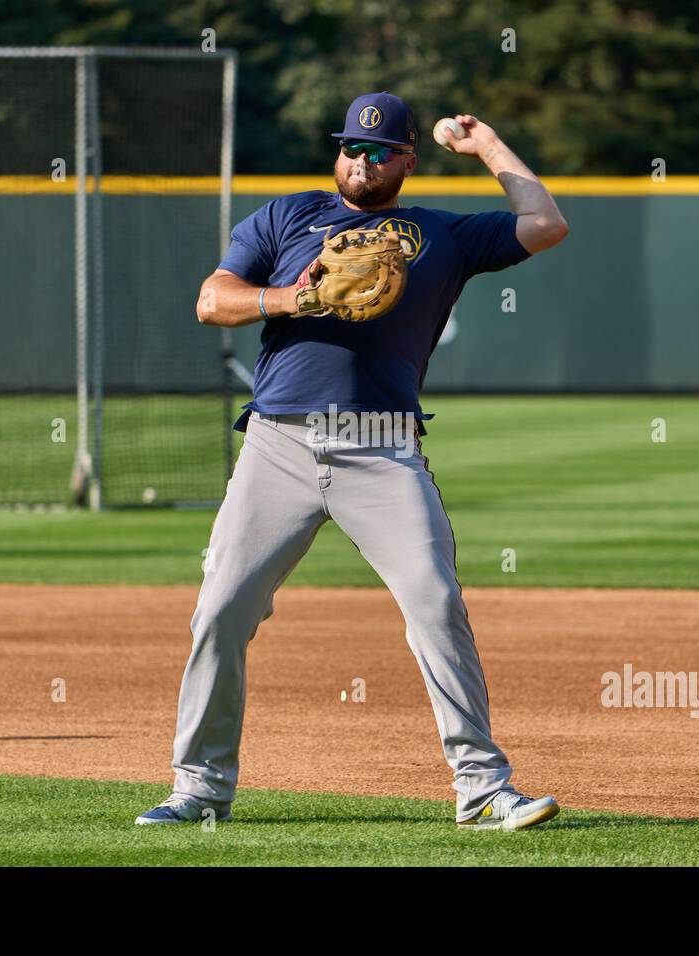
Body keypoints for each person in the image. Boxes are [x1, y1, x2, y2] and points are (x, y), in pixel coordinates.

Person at [137, 92, 569, 831]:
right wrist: (289, 298)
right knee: (220, 610)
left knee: (435, 602)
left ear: (407, 159)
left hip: (384, 447)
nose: (362, 160)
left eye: (379, 151)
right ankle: (200, 788)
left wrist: (489, 147)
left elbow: (546, 224)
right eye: (351, 148)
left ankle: (483, 789)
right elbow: (214, 300)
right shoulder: (287, 217)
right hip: (280, 442)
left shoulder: (443, 234)